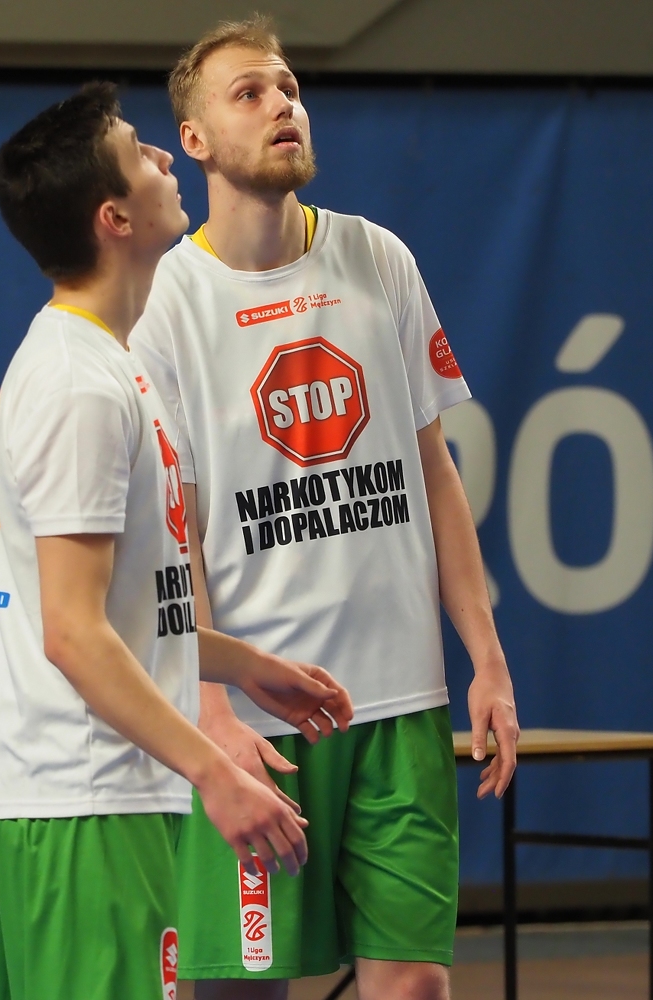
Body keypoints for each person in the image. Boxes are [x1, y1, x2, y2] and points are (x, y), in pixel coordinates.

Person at [130, 19, 521, 1000]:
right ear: (194, 140)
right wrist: (210, 714)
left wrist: (485, 657)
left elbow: (435, 474)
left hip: (400, 704)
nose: (282, 106)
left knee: (414, 987)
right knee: (240, 991)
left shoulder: (377, 258)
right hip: (259, 721)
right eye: (249, 93)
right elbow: (174, 535)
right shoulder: (167, 301)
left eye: (290, 88)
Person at [0, 82, 354, 1000]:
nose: (162, 160)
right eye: (140, 153)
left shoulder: (112, 364)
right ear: (113, 218)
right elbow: (72, 635)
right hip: (87, 807)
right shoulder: (75, 385)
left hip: (113, 802)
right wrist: (211, 769)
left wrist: (235, 662)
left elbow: (125, 610)